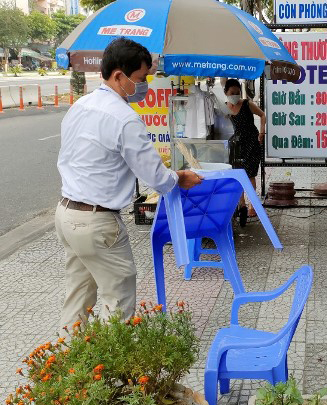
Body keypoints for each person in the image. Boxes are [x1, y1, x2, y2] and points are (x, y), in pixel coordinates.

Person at [55, 38, 202, 332]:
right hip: (97, 223)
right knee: (119, 298)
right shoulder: (124, 118)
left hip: (66, 214)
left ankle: (69, 366)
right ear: (119, 76)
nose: (144, 85)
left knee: (78, 298)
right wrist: (180, 178)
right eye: (140, 78)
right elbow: (156, 178)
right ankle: (109, 374)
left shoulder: (80, 106)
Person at [224, 79, 266, 221]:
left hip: (251, 144)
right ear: (226, 94)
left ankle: (252, 205)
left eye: (237, 93)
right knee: (237, 175)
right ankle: (241, 204)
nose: (235, 95)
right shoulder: (225, 108)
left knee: (250, 175)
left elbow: (262, 115)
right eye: (232, 93)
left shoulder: (247, 104)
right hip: (236, 146)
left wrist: (262, 132)